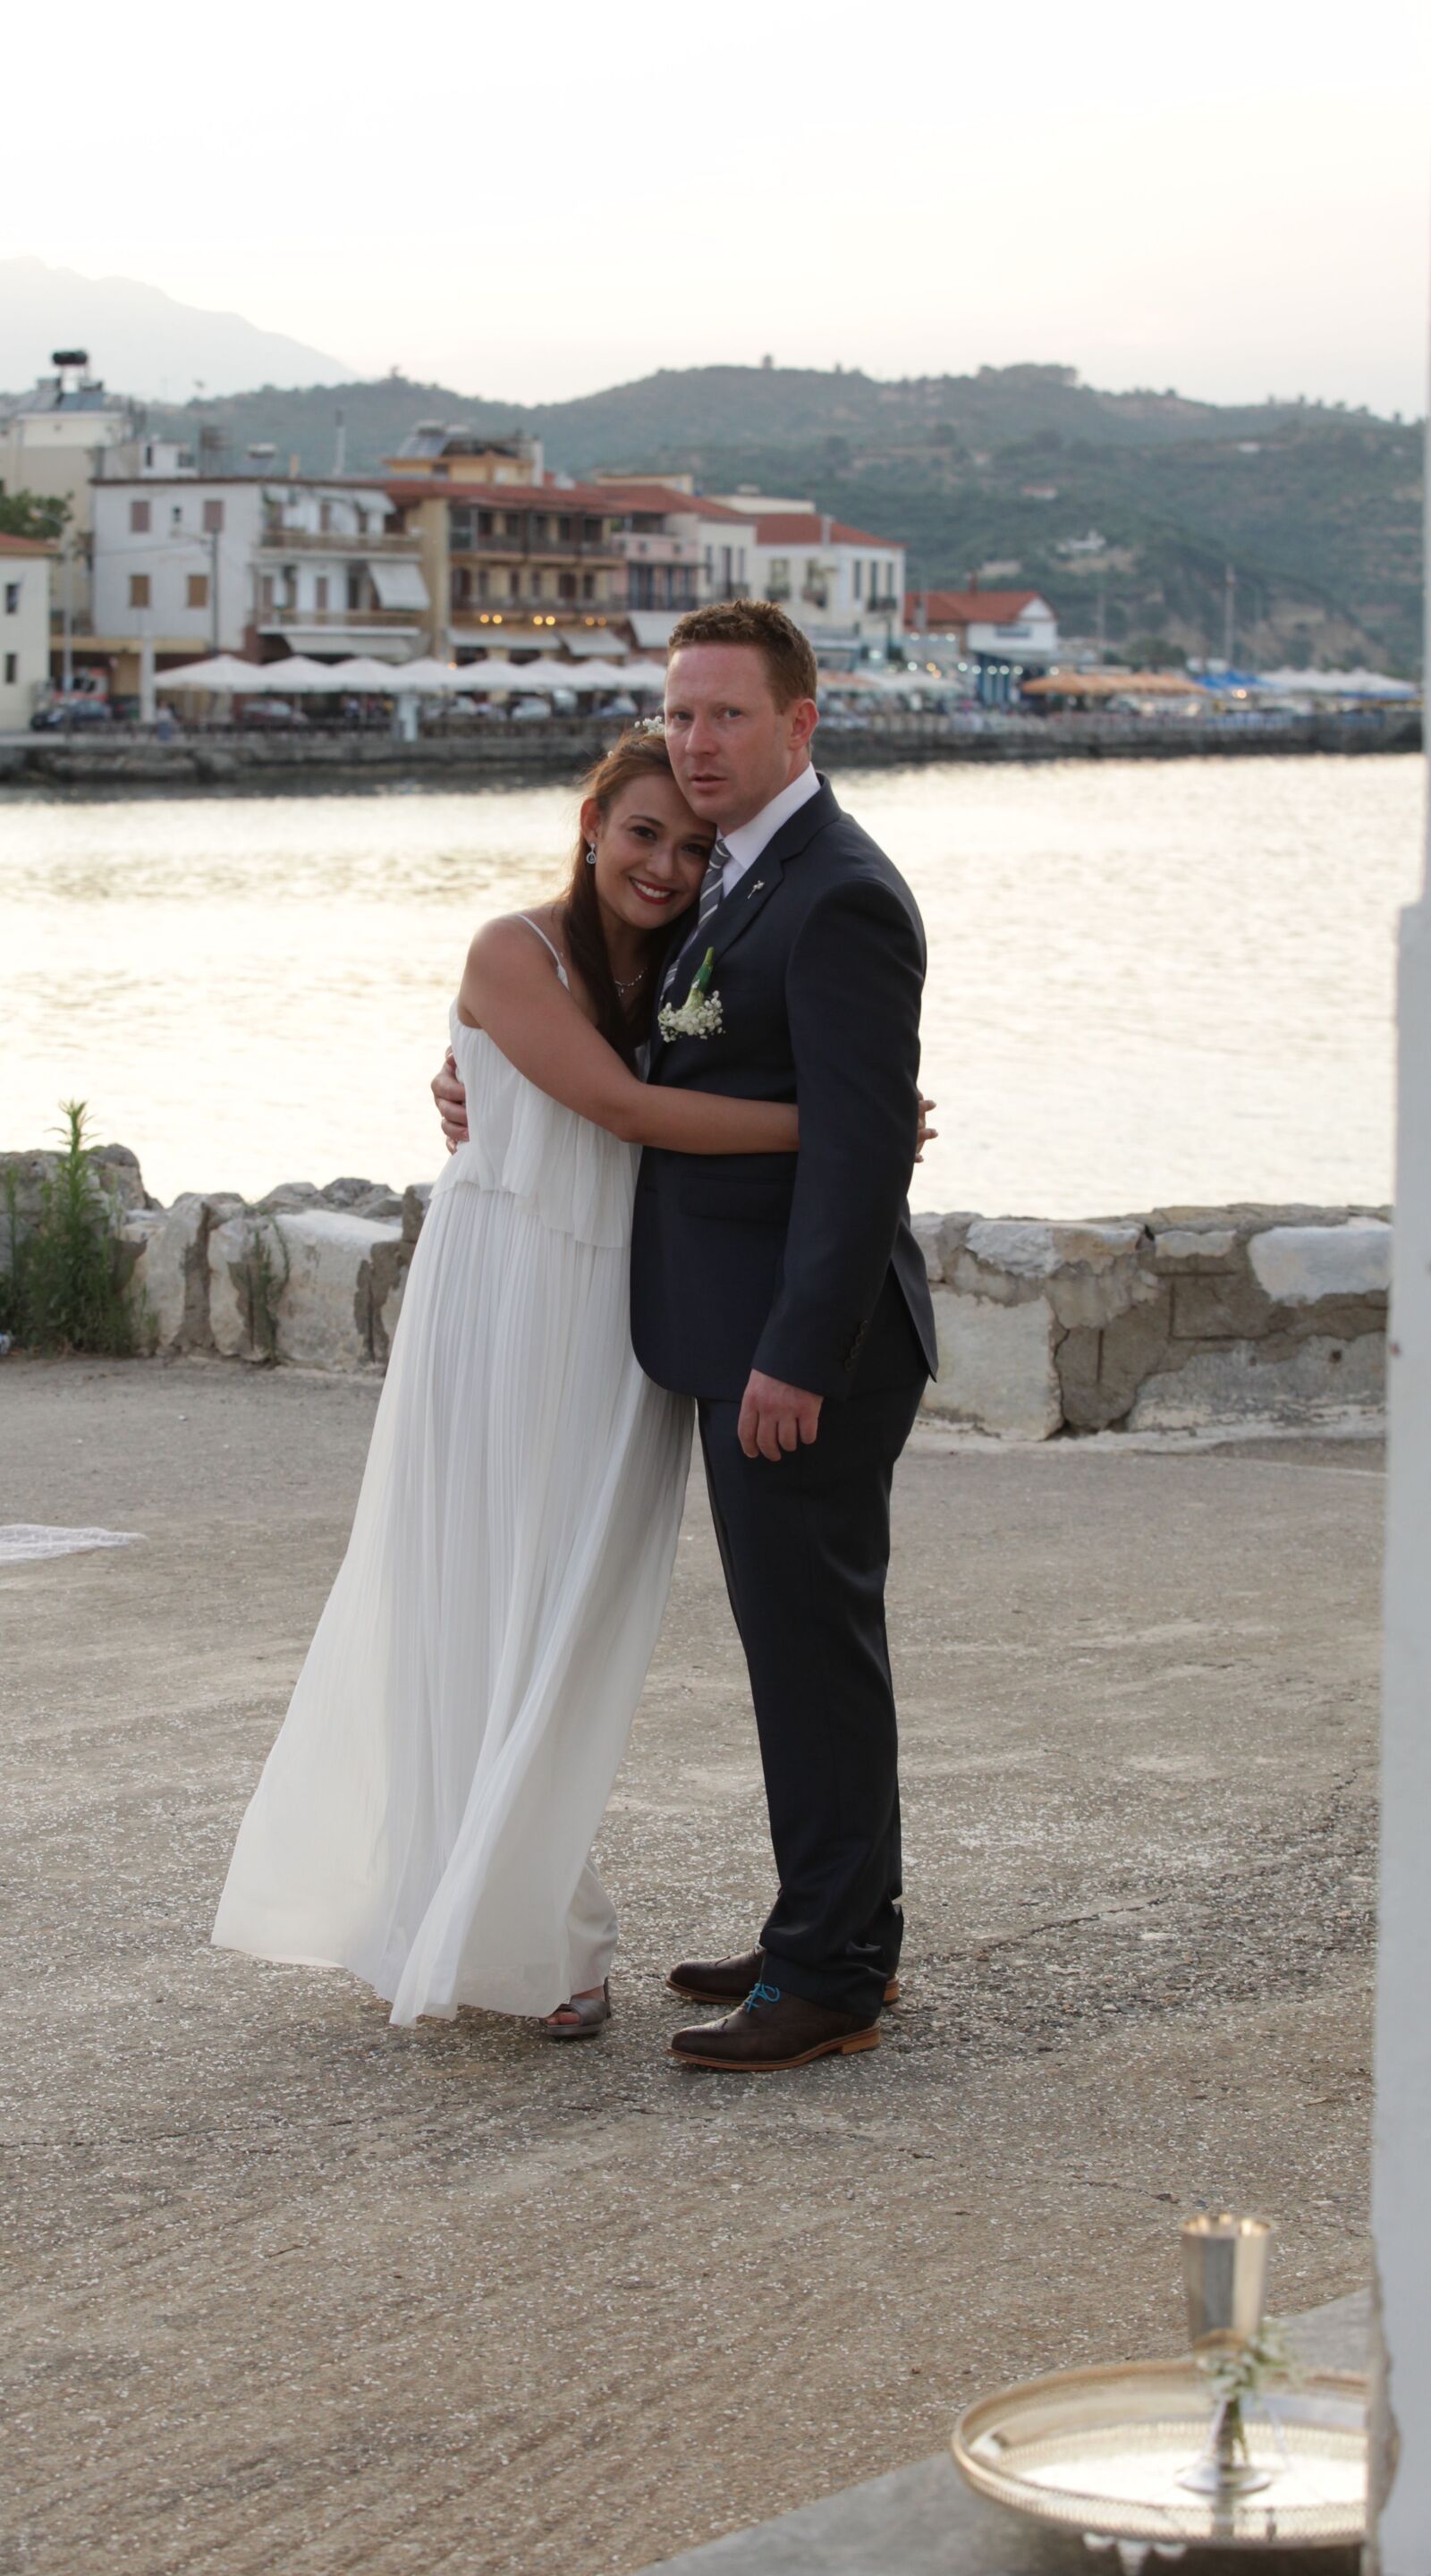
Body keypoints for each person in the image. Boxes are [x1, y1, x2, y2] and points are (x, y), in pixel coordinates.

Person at [213, 731, 807, 2036]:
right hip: (502, 1299)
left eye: (693, 845)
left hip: (626, 1320)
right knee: (474, 1599)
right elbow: (624, 1111)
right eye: (642, 833)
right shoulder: (509, 949)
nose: (665, 866)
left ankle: (524, 1905)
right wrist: (831, 1128)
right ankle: (528, 1936)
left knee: (576, 1618)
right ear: (591, 824)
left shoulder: (696, 964)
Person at [435, 600, 936, 2073]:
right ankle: (825, 1929)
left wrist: (797, 1353)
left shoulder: (839, 892)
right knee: (798, 1652)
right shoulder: (739, 874)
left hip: (802, 1347)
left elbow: (855, 1150)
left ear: (799, 723)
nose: (699, 743)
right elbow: (640, 1045)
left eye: (728, 715)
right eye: (681, 714)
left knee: (814, 1656)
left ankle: (832, 1976)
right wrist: (473, 1073)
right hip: (731, 1331)